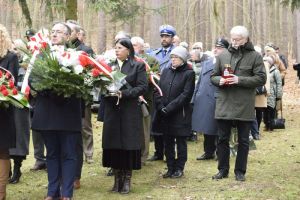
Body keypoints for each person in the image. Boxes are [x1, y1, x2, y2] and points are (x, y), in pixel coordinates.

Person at [30, 22, 81, 200]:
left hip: (68, 112)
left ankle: (66, 193)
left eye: (58, 32)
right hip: (48, 112)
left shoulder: (77, 56)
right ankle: (52, 192)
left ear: (68, 36)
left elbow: (82, 81)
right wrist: (50, 90)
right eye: (52, 32)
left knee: (68, 154)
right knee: (51, 154)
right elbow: (32, 80)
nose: (54, 34)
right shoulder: (41, 56)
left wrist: (64, 91)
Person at [211, 26, 266, 182]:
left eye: (238, 39)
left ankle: (240, 171)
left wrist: (239, 80)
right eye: (232, 38)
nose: (234, 42)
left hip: (244, 104)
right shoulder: (223, 56)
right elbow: (213, 76)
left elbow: (261, 78)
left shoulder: (255, 56)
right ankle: (222, 170)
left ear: (246, 39)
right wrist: (219, 80)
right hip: (224, 102)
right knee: (222, 138)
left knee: (243, 140)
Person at [101, 38, 148, 194]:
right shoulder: (109, 66)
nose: (117, 50)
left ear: (128, 50)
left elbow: (142, 87)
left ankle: (127, 180)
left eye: (120, 48)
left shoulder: (138, 65)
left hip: (129, 111)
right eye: (115, 48)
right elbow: (101, 85)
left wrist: (124, 93)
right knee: (113, 145)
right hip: (112, 111)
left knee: (127, 145)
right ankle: (116, 180)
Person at [152, 46, 195, 178]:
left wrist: (169, 107)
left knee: (181, 142)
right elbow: (157, 90)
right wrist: (160, 105)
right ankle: (170, 167)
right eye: (172, 57)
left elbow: (186, 95)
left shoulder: (189, 73)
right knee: (168, 142)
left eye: (176, 57)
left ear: (183, 59)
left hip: (179, 114)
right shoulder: (166, 71)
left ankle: (179, 168)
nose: (173, 60)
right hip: (164, 113)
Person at [66, 20, 95, 190]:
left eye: (68, 32)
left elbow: (91, 75)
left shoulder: (85, 50)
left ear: (76, 34)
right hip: (60, 101)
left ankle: (76, 175)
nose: (66, 35)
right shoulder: (58, 50)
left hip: (79, 99)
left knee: (80, 133)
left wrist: (83, 90)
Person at [192, 38, 229, 161]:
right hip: (203, 98)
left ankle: (220, 152)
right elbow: (200, 81)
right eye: (216, 47)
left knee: (218, 128)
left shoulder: (228, 62)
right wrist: (195, 96)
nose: (216, 49)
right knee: (206, 126)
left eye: (220, 47)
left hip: (218, 98)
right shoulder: (207, 61)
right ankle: (208, 151)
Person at [148, 24, 176, 161]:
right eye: (162, 36)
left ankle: (168, 151)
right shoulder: (154, 54)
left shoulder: (178, 53)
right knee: (155, 121)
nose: (164, 39)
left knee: (168, 123)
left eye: (167, 36)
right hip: (155, 91)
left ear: (172, 38)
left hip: (170, 92)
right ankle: (158, 152)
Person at [131, 36, 159, 165]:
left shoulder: (151, 60)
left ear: (142, 47)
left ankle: (143, 156)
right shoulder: (127, 60)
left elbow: (156, 78)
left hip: (145, 99)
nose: (133, 47)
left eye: (135, 45)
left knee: (144, 129)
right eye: (131, 45)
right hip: (129, 99)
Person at [0, 23, 19, 200]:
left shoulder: (10, 57)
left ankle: (1, 192)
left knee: (2, 151)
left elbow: (12, 84)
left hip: (2, 112)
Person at [8, 40, 31, 184]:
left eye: (18, 48)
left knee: (19, 139)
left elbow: (29, 83)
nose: (15, 50)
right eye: (13, 47)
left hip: (20, 106)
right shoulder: (7, 60)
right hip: (6, 103)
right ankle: (7, 169)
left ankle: (17, 168)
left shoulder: (28, 65)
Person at [263, 56, 283, 131]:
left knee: (271, 110)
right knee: (264, 110)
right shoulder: (263, 70)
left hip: (272, 94)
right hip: (264, 93)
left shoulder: (275, 71)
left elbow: (279, 83)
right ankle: (266, 124)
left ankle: (271, 125)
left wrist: (278, 95)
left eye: (266, 62)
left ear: (270, 63)